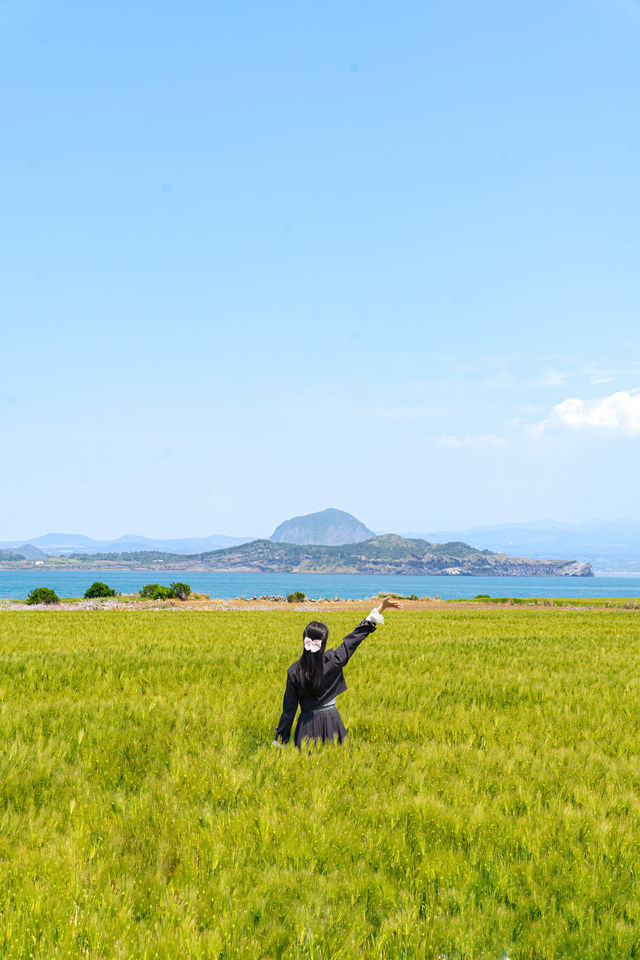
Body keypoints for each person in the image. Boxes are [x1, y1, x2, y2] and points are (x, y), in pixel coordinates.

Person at [273, 596, 402, 749]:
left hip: (306, 726)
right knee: (337, 763)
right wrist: (380, 608)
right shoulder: (334, 660)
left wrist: (280, 743)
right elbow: (352, 640)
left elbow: (289, 711)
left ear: (304, 641)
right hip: (332, 722)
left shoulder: (293, 671)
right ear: (324, 643)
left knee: (307, 769)